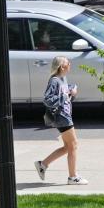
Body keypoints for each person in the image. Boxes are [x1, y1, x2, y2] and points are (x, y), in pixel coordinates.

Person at [34, 57, 86, 185]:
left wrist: (72, 91)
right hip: (61, 116)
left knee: (67, 147)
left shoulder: (62, 80)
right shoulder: (54, 81)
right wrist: (65, 94)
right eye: (68, 63)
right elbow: (47, 99)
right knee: (73, 145)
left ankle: (43, 164)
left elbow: (66, 95)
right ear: (62, 67)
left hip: (65, 115)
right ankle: (73, 177)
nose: (70, 65)